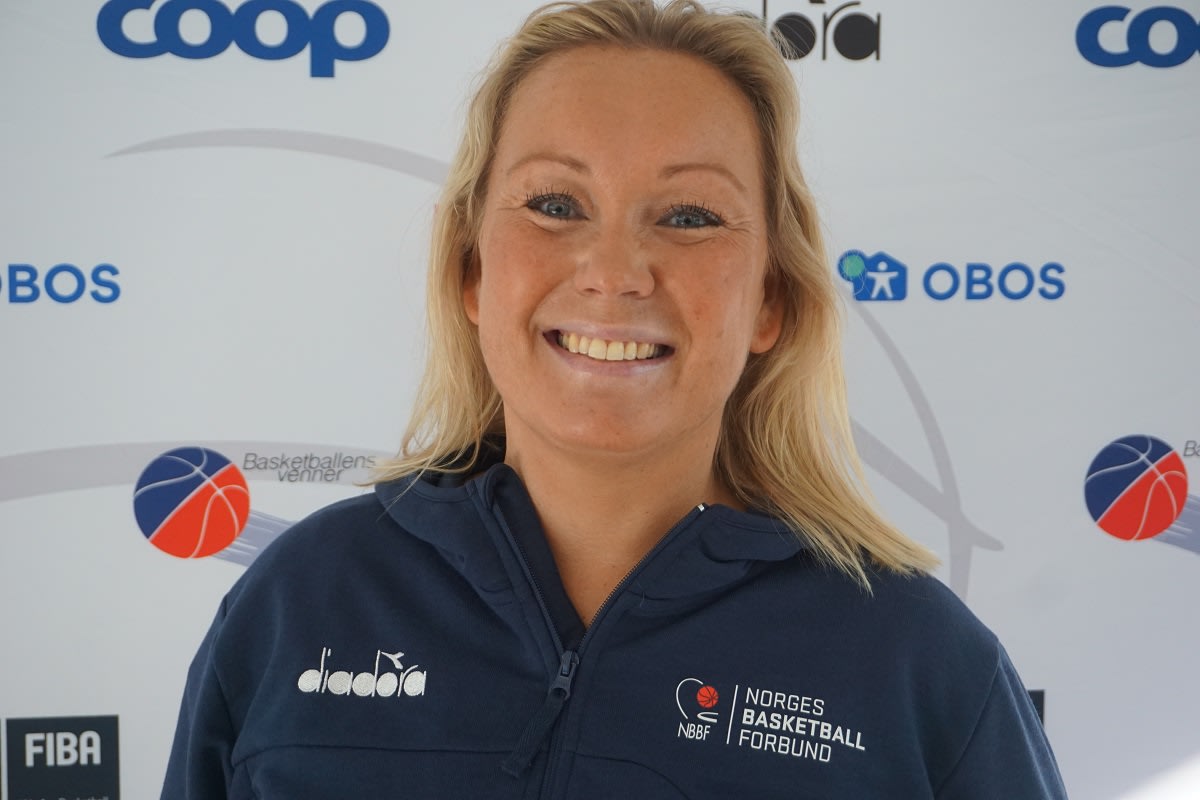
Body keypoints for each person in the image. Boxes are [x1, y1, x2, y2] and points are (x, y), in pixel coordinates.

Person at [161, 0, 1068, 797]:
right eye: (555, 205)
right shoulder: (301, 602)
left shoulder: (920, 664)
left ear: (770, 300)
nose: (614, 272)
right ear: (472, 270)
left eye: (689, 216)